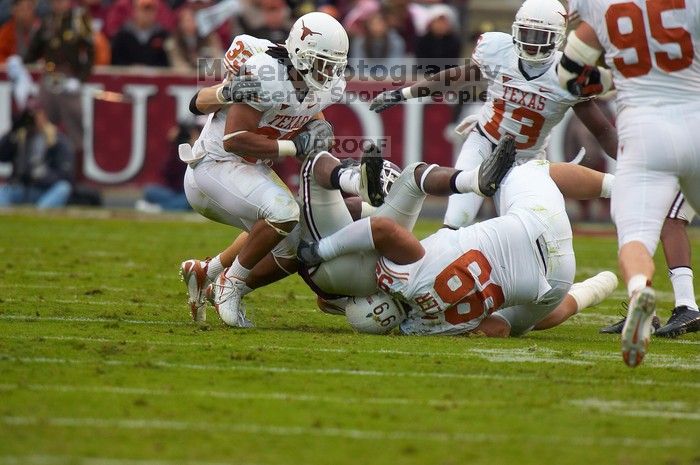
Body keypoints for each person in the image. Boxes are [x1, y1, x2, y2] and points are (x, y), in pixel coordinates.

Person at [296, 140, 618, 337]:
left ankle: (595, 288)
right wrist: (322, 250)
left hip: (556, 280)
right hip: (536, 226)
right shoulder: (401, 278)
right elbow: (382, 229)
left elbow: (498, 329)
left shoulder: (423, 329)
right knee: (529, 171)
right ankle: (618, 188)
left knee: (524, 323)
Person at [370, 0, 618, 229]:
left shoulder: (567, 74)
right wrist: (403, 94)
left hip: (526, 161)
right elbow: (456, 77)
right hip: (483, 143)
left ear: (558, 37)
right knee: (456, 222)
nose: (531, 42)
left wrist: (633, 166)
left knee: (525, 230)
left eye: (540, 36)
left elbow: (602, 131)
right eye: (526, 33)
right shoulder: (500, 52)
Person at [179, 12, 349, 327]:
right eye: (321, 63)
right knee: (283, 212)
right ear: (300, 54)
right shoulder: (264, 72)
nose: (328, 73)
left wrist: (321, 139)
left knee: (294, 246)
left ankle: (209, 273)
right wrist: (294, 147)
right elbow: (233, 140)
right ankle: (229, 287)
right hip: (212, 166)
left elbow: (311, 118)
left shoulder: (326, 86)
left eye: (333, 65)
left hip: (250, 170)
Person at [558, 0, 700, 367]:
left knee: (635, 233)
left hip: (643, 131)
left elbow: (569, 74)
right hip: (695, 118)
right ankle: (678, 302)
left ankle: (640, 289)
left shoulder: (604, 7)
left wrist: (614, 78)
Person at [23, 0, 94, 153]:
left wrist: (79, 79)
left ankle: (76, 166)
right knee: (42, 118)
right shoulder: (47, 21)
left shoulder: (78, 19)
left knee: (74, 119)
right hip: (49, 75)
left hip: (69, 76)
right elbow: (35, 50)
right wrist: (19, 61)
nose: (57, 4)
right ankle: (41, 159)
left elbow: (89, 53)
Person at [0, 108, 74, 209]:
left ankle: (39, 213)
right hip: (22, 188)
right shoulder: (18, 136)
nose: (33, 120)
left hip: (45, 188)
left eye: (36, 115)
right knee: (3, 190)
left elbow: (65, 174)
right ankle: (5, 215)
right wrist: (13, 130)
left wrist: (42, 176)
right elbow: (2, 156)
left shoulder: (57, 140)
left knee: (63, 188)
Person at [136, 122, 196, 212]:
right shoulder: (175, 152)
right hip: (174, 192)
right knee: (149, 191)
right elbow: (166, 172)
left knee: (188, 202)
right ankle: (167, 206)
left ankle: (159, 208)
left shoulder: (194, 151)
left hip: (187, 194)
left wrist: (193, 145)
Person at [110, 0, 170, 67]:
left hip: (154, 76)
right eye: (143, 10)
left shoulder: (162, 35)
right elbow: (116, 60)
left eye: (151, 10)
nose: (147, 14)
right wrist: (131, 68)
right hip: (128, 76)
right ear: (135, 11)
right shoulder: (123, 35)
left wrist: (150, 69)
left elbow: (166, 62)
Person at [0, 0, 38, 64]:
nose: (26, 13)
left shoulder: (42, 28)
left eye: (29, 8)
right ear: (14, 11)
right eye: (22, 9)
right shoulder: (6, 31)